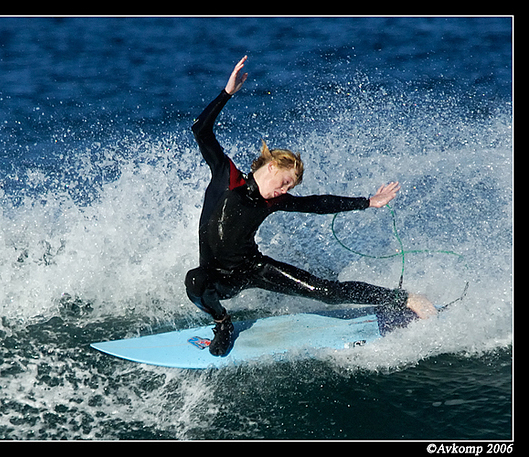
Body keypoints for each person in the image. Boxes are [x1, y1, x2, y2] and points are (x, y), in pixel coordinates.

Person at [185, 56, 437, 356]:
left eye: (290, 186)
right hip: (217, 278)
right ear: (270, 166)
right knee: (195, 280)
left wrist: (367, 202)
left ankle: (402, 299)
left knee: (326, 292)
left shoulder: (273, 202)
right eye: (285, 181)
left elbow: (316, 204)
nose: (285, 189)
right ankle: (222, 321)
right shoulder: (227, 176)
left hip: (251, 268)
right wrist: (227, 93)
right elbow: (200, 129)